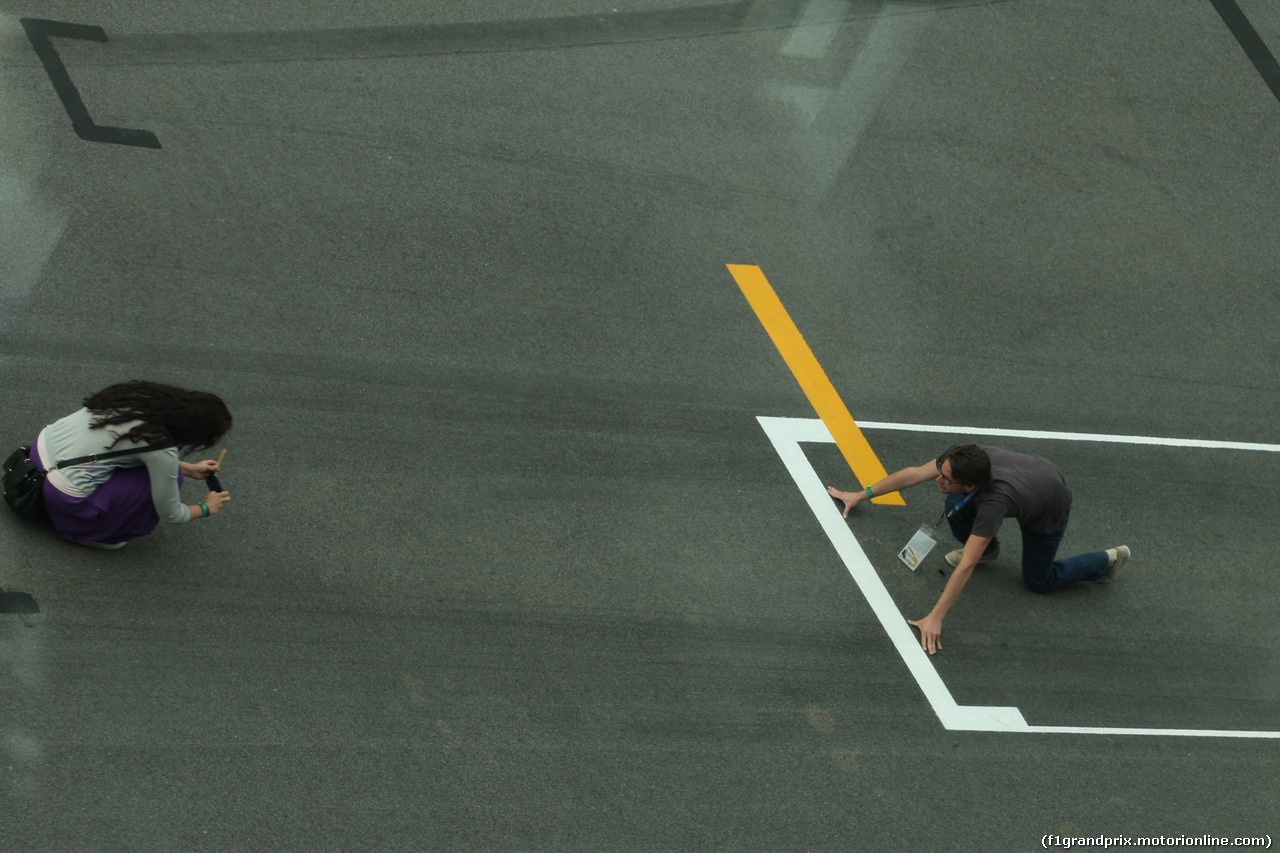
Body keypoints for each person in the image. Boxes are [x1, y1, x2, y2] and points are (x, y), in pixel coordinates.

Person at [826, 444, 1129, 656]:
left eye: (946, 479)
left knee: (1039, 580)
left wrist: (935, 617)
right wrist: (860, 495)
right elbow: (915, 473)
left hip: (1049, 503)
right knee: (954, 508)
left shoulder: (993, 502)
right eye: (941, 473)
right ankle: (991, 549)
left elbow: (966, 566)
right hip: (1032, 476)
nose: (938, 479)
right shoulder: (963, 457)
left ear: (970, 485)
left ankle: (1106, 560)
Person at [29, 380, 232, 549]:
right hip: (61, 492)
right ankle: (89, 532)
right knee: (167, 480)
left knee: (151, 466)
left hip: (38, 456)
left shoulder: (139, 397)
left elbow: (129, 449)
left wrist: (189, 468)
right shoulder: (161, 446)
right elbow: (172, 514)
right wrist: (206, 508)